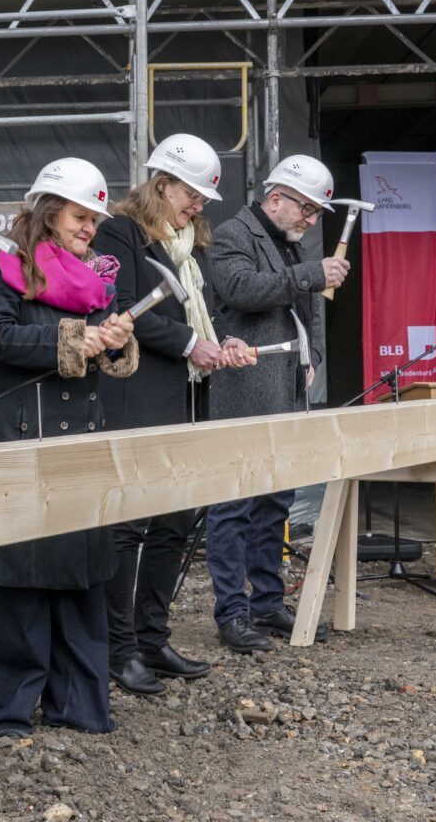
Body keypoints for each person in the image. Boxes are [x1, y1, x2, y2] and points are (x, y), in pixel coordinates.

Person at [0, 158, 136, 738]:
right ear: (49, 212)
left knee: (83, 580)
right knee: (19, 584)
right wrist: (74, 338)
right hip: (17, 438)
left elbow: (100, 351)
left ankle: (79, 705)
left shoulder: (92, 281)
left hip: (78, 438)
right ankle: (7, 712)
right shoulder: (1, 266)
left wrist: (113, 341)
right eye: (81, 216)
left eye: (94, 219)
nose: (90, 227)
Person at [92, 135, 254, 694]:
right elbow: (121, 312)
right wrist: (190, 344)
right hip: (140, 399)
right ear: (161, 185)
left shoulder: (190, 246)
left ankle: (151, 637)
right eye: (191, 195)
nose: (198, 206)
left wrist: (217, 342)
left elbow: (200, 314)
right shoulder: (120, 234)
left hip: (186, 397)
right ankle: (118, 648)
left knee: (176, 522)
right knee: (131, 523)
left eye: (205, 200)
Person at [204, 153, 350, 654]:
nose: (310, 221)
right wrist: (311, 273)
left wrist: (315, 358)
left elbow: (307, 313)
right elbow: (241, 290)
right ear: (275, 198)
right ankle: (232, 613)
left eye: (315, 214)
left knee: (274, 501)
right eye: (306, 210)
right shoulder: (233, 236)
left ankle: (266, 603)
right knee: (233, 504)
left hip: (286, 388)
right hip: (243, 394)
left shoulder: (288, 244)